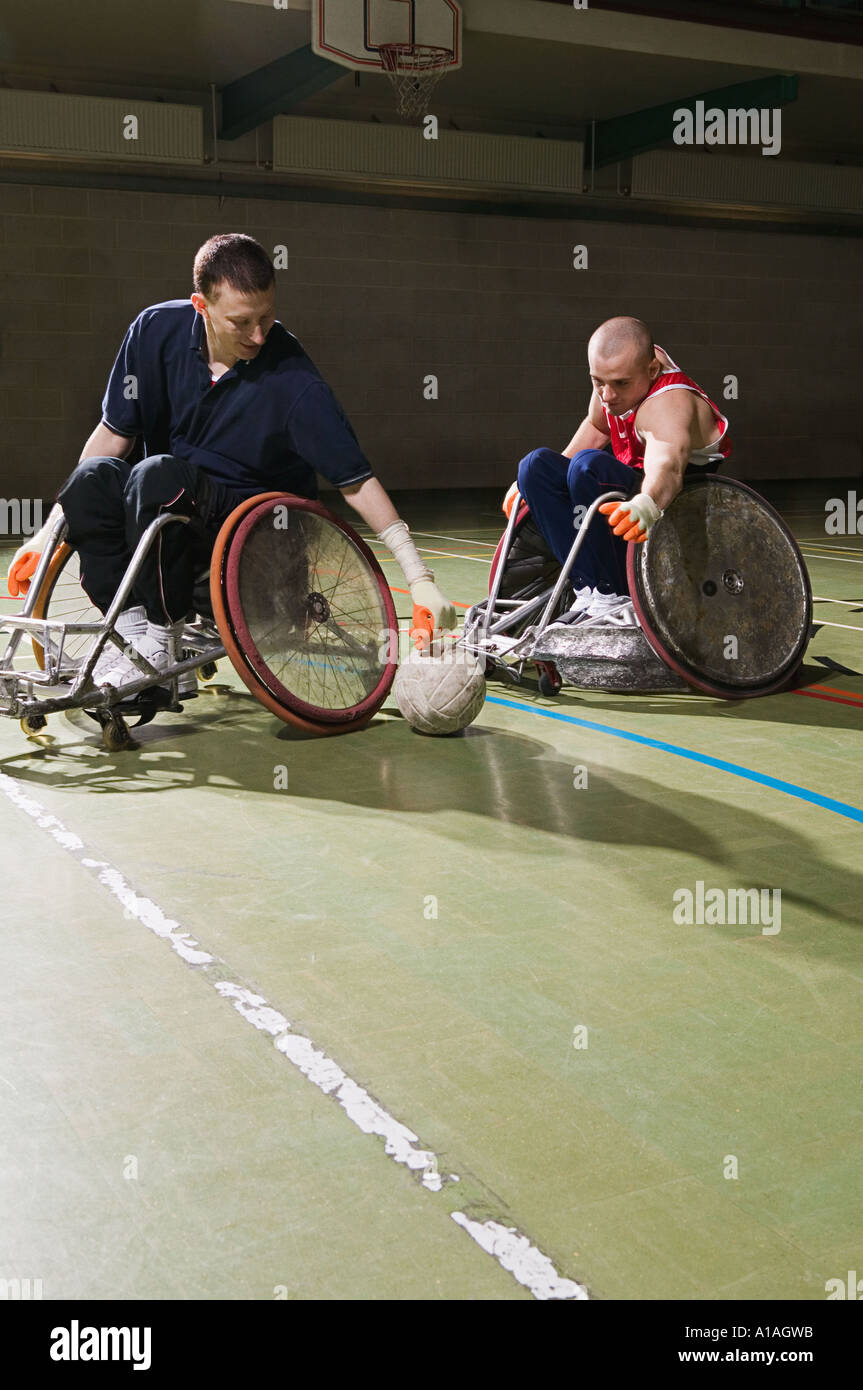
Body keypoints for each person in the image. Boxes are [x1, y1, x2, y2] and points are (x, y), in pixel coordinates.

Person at [7, 233, 455, 693]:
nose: (258, 335)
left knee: (157, 475)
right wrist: (49, 531)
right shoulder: (153, 332)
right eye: (242, 322)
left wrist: (420, 579)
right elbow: (112, 437)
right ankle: (136, 634)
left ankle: (162, 644)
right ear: (200, 305)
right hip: (165, 513)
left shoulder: (295, 382)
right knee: (91, 479)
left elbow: (356, 482)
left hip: (253, 535)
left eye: (267, 316)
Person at [503, 316, 732, 625]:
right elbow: (597, 426)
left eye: (620, 384)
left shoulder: (669, 404)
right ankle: (588, 589)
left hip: (676, 494)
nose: (607, 396)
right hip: (628, 477)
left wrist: (647, 504)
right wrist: (532, 486)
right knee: (534, 467)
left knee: (588, 468)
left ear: (651, 370)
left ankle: (614, 594)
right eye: (598, 382)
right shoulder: (617, 373)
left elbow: (669, 465)